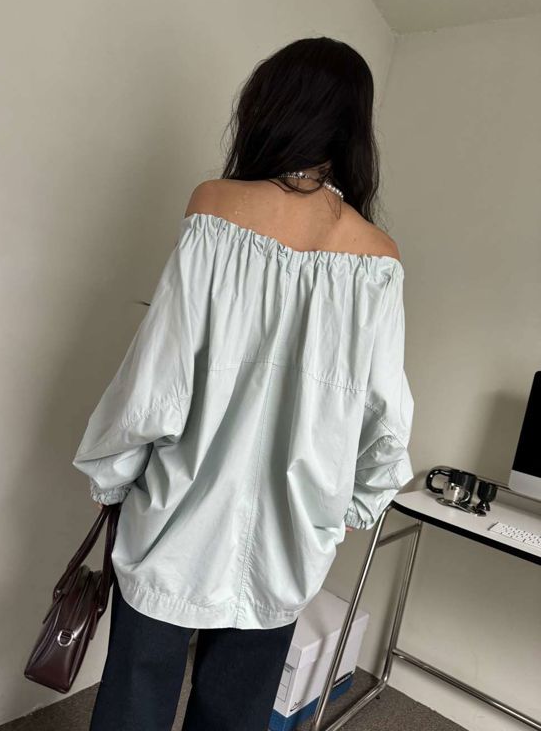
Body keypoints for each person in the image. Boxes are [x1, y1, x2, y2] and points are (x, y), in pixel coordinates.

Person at [71, 36, 415, 731]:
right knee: (237, 714)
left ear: (269, 107)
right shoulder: (377, 258)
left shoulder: (216, 208)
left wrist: (113, 476)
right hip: (293, 531)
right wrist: (357, 502)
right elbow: (386, 412)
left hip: (176, 513)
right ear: (355, 126)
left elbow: (156, 378)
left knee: (134, 700)